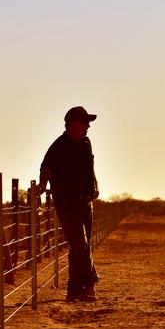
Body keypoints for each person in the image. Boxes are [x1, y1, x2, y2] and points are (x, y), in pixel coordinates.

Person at [38, 106, 100, 302]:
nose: (88, 126)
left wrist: (95, 186)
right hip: (68, 202)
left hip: (86, 202)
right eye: (84, 122)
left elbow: (90, 167)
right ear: (72, 123)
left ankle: (74, 290)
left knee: (80, 245)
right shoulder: (59, 146)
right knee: (80, 244)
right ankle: (90, 284)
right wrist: (41, 185)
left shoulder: (86, 142)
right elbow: (46, 167)